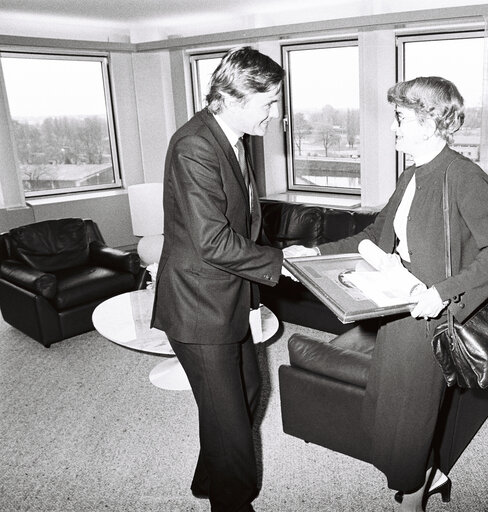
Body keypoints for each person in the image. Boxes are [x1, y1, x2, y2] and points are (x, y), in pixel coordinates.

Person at [283, 76, 488, 511]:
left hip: (430, 315)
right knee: (386, 409)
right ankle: (433, 474)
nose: (394, 128)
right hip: (396, 307)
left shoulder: (464, 176)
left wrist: (444, 292)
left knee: (406, 422)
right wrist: (315, 252)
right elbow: (375, 234)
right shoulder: (411, 174)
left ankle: (415, 493)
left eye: (401, 119)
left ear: (431, 122)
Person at [151, 46, 284, 512]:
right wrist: (279, 262)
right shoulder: (195, 145)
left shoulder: (233, 136)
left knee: (248, 389)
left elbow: (243, 219)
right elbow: (213, 242)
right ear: (231, 96)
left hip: (227, 297)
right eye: (268, 103)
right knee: (230, 424)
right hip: (197, 306)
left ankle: (207, 478)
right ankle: (231, 500)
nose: (275, 114)